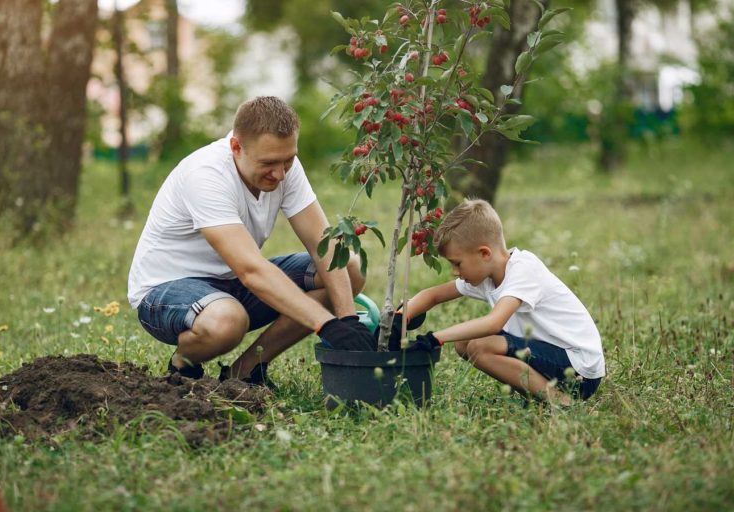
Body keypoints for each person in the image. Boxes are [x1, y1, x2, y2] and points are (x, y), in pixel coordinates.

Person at [127, 96, 376, 387]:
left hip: (233, 284)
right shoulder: (206, 175)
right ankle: (183, 364)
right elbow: (251, 270)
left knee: (349, 269)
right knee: (227, 322)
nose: (281, 174)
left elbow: (325, 245)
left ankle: (245, 372)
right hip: (166, 290)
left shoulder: (284, 167)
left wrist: (347, 320)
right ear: (236, 147)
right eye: (269, 163)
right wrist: (326, 324)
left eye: (288, 160)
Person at [397, 199, 605, 404]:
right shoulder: (488, 272)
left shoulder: (523, 270)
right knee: (464, 343)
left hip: (579, 370)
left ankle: (562, 403)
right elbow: (433, 295)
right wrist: (400, 316)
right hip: (550, 355)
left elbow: (493, 323)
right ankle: (538, 395)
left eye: (457, 263)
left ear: (484, 253)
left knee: (480, 346)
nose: (454, 272)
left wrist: (436, 338)